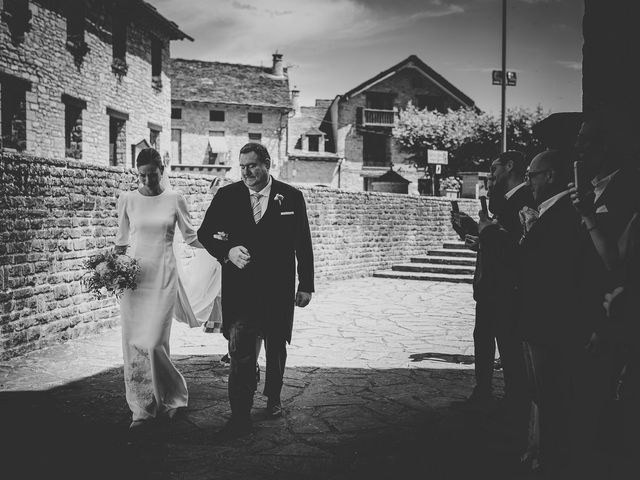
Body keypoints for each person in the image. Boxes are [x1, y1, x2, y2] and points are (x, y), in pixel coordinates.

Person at [198, 142, 314, 438]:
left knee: (276, 348)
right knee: (241, 352)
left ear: (267, 164)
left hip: (278, 289)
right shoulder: (227, 196)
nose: (247, 172)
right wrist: (227, 251)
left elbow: (303, 243)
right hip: (241, 290)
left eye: (252, 165)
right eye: (242, 167)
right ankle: (239, 416)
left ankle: (273, 397)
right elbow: (205, 234)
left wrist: (306, 285)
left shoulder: (290, 197)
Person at [114, 148, 205, 429]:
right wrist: (111, 269)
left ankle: (173, 394)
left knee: (154, 343)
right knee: (134, 344)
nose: (147, 180)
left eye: (152, 175)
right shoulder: (127, 199)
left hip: (164, 277)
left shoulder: (175, 198)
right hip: (135, 280)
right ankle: (141, 409)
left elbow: (191, 237)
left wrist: (223, 249)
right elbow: (120, 242)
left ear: (162, 170)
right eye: (141, 175)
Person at [518, 149, 586, 476]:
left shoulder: (562, 212)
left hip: (548, 321)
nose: (528, 180)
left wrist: (530, 233)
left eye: (532, 174)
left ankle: (549, 461)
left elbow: (551, 267)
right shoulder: (547, 210)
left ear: (550, 176)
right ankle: (538, 452)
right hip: (536, 320)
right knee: (540, 394)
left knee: (549, 395)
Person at [451, 151, 533, 418]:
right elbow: (496, 242)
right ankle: (483, 391)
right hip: (489, 287)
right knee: (483, 340)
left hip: (506, 288)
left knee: (508, 346)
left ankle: (514, 400)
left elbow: (516, 246)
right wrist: (473, 234)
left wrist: (486, 234)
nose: (491, 174)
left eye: (493, 167)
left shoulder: (524, 199)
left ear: (510, 166)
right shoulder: (506, 200)